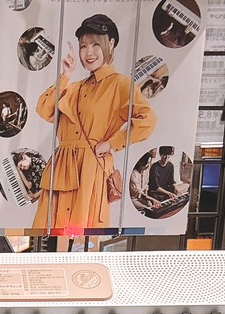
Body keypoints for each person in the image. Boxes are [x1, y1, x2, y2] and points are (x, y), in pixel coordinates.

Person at [31, 14, 155, 234]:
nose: (89, 53)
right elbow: (44, 109)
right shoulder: (75, 87)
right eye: (83, 46)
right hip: (61, 168)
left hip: (90, 168)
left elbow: (147, 121)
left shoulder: (120, 84)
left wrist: (112, 143)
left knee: (81, 236)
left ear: (111, 44)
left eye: (96, 45)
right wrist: (66, 75)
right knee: (48, 235)